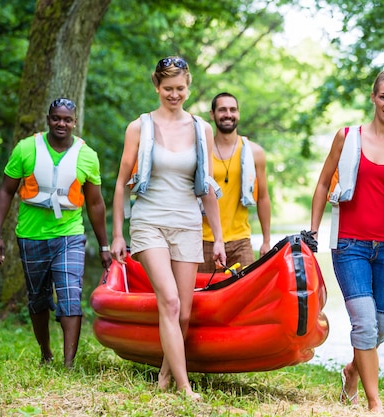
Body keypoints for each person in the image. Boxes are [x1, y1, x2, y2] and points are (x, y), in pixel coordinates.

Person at [310, 70, 384, 412]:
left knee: (382, 327)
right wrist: (314, 231)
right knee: (364, 322)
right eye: (383, 96)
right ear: (373, 97)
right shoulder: (348, 138)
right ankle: (374, 403)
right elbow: (322, 184)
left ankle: (352, 370)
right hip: (349, 246)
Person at [109, 56, 226, 401]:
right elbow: (119, 184)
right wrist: (118, 233)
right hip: (149, 223)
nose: (174, 95)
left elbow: (206, 186)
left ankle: (164, 374)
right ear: (156, 87)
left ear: (189, 87)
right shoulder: (139, 127)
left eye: (180, 89)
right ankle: (185, 387)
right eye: (167, 89)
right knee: (170, 301)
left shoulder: (201, 128)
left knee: (184, 311)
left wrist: (218, 237)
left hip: (188, 224)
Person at [0, 98, 112, 369]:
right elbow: (6, 191)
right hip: (31, 235)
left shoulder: (87, 155)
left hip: (69, 234)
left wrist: (104, 247)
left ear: (75, 122)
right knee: (38, 298)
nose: (61, 123)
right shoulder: (26, 148)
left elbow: (95, 203)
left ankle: (68, 364)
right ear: (48, 119)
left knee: (70, 294)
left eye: (67, 119)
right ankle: (46, 353)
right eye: (56, 118)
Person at [198, 92, 271, 273]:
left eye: (233, 109)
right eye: (222, 110)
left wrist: (266, 241)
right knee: (202, 298)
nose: (228, 114)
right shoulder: (201, 152)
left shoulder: (255, 152)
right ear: (212, 114)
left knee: (249, 296)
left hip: (241, 240)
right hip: (203, 239)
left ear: (238, 113)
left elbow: (263, 198)